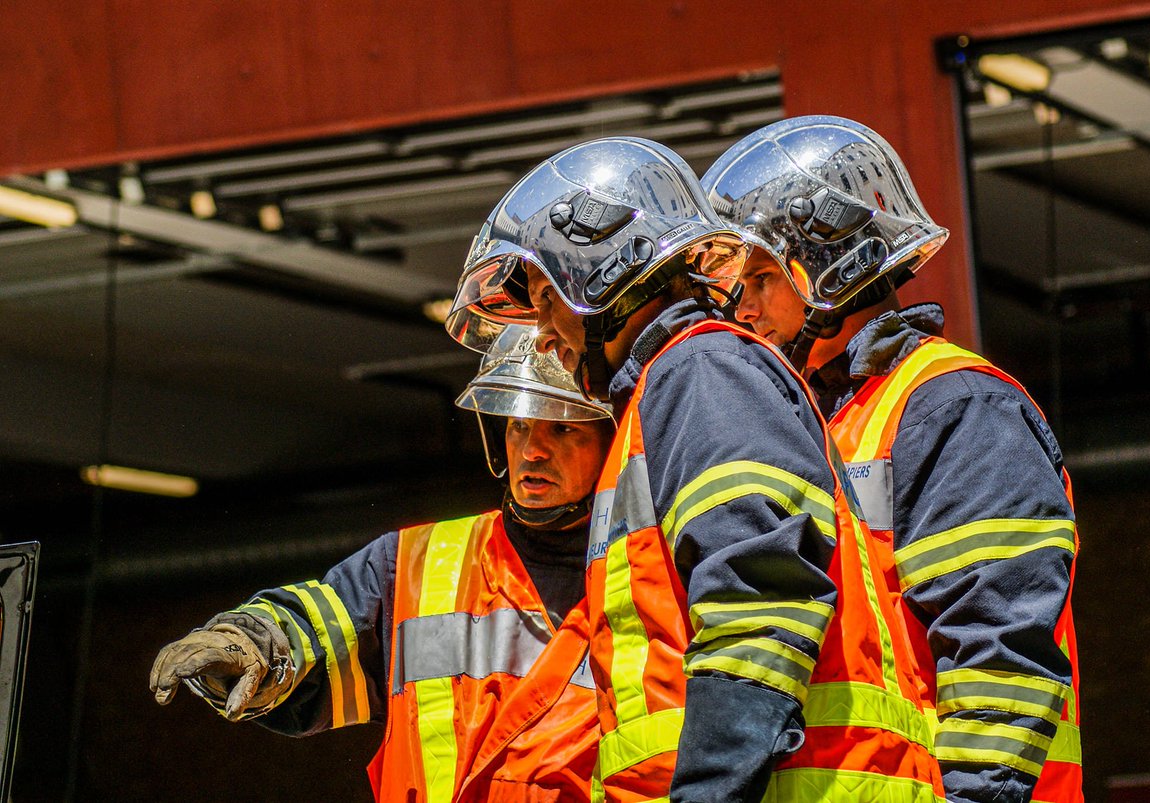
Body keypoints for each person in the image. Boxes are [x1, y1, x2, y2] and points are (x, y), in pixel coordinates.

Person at [444, 136, 943, 802]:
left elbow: (759, 605)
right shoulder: (673, 388)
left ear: (602, 274)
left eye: (545, 298)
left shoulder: (702, 373)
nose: (540, 331)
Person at [703, 115, 1082, 802]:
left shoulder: (956, 408)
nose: (742, 309)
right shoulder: (816, 420)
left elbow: (1000, 659)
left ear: (835, 269)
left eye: (761, 278)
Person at [149, 324, 614, 802]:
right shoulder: (419, 563)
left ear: (612, 442)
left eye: (562, 427)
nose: (532, 450)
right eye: (518, 425)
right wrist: (252, 643)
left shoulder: (645, 566)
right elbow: (317, 634)